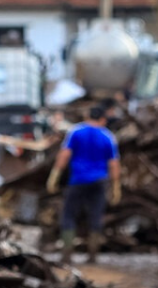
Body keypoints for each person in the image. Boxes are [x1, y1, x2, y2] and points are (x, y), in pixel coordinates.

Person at [45, 102, 122, 265]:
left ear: (88, 116)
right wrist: (116, 186)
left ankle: (67, 254)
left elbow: (64, 155)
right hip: (99, 181)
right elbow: (114, 163)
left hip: (78, 180)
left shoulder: (75, 132)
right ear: (103, 119)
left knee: (69, 215)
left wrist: (54, 176)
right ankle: (93, 255)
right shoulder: (108, 136)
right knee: (95, 215)